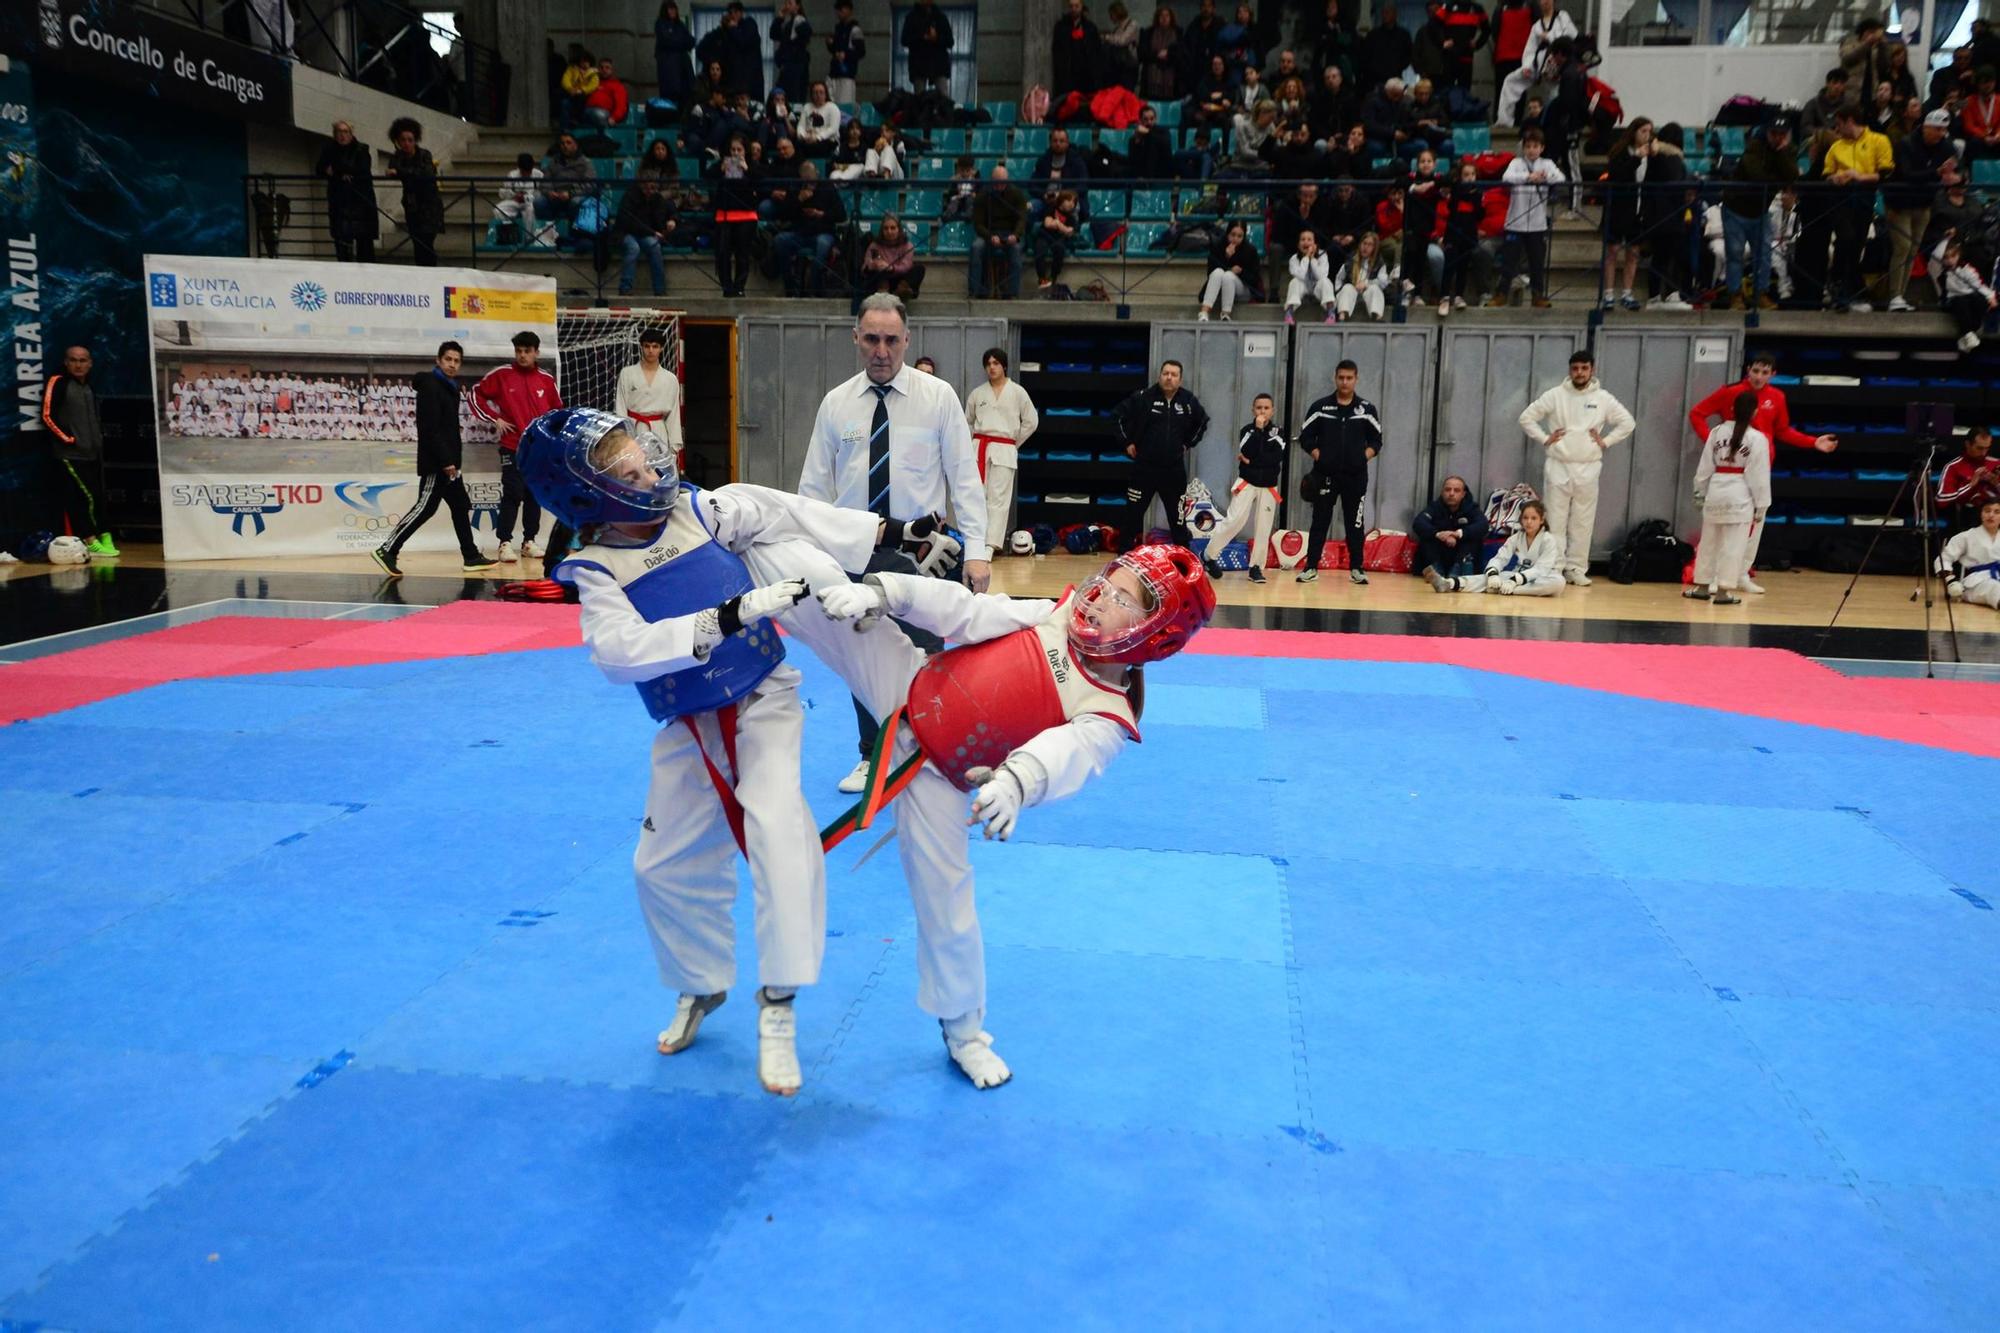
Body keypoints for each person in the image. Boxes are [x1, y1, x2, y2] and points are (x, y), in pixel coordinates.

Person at [522, 409, 886, 1097]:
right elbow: (616, 652)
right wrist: (724, 616)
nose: (650, 474)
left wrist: (881, 536)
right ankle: (701, 981)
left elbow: (785, 510)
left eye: (645, 459)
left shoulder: (701, 509)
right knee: (658, 867)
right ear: (588, 494)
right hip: (689, 721)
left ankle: (777, 1006)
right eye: (628, 471)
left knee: (780, 831)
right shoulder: (595, 567)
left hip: (763, 699)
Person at [810, 543, 1216, 1088]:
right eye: (1107, 581)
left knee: (947, 903)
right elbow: (967, 611)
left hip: (940, 783)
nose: (1100, 597)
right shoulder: (1053, 614)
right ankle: (725, 522)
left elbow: (1066, 755)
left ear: (1156, 632)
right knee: (808, 579)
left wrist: (1016, 782)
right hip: (906, 685)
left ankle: (963, 1034)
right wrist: (887, 592)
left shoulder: (1107, 715)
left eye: (1124, 598)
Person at [798, 293, 990, 794]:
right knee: (865, 659)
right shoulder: (836, 404)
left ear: (907, 340)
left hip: (924, 554)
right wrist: (805, 554)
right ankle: (872, 756)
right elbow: (813, 490)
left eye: (890, 339)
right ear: (856, 339)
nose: (881, 350)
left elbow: (965, 480)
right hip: (854, 549)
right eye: (871, 339)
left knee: (927, 660)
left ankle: (929, 752)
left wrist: (978, 552)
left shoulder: (938, 397)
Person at [1687, 352, 1836, 592]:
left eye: (1765, 372)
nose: (1759, 376)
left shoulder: (1777, 397)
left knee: (1754, 526)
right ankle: (1713, 576)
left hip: (1759, 469)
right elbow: (1697, 413)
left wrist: (1812, 442)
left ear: (1773, 374)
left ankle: (1742, 573)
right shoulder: (1730, 392)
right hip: (1730, 471)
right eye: (1755, 371)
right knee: (1720, 528)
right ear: (1748, 370)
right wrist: (1713, 444)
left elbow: (1783, 431)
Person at [372, 342, 496, 577]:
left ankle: (470, 556)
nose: (452, 364)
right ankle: (387, 550)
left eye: (456, 360)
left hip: (450, 463)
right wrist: (446, 461)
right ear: (438, 360)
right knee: (425, 508)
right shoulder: (431, 385)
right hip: (438, 463)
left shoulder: (449, 387)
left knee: (460, 506)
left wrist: (453, 462)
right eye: (448, 359)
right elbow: (431, 428)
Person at [1518, 349, 1635, 586]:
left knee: (1583, 521)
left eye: (1584, 368)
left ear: (1592, 370)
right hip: (1559, 465)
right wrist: (1544, 438)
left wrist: (1606, 441)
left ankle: (1576, 568)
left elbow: (1628, 422)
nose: (1579, 373)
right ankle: (1554, 566)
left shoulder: (1603, 398)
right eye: (1575, 368)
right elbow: (1526, 418)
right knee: (1555, 520)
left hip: (1588, 466)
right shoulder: (1555, 395)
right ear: (1570, 370)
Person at [472, 330, 563, 563]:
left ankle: (528, 541)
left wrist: (552, 441)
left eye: (527, 351)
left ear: (536, 353)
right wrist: (495, 419)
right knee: (513, 493)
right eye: (519, 351)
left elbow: (557, 413)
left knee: (534, 495)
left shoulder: (546, 379)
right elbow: (476, 395)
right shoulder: (502, 375)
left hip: (538, 450)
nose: (522, 355)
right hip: (512, 446)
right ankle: (504, 544)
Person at [1296, 359, 1381, 584]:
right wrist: (1319, 456)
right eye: (1341, 377)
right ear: (1335, 378)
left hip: (1355, 477)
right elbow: (1305, 437)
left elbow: (1377, 440)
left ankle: (1357, 568)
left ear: (1356, 379)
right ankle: (1311, 567)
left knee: (1355, 523)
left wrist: (1364, 456)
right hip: (1325, 476)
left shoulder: (1367, 409)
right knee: (1319, 522)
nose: (1345, 382)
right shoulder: (1320, 407)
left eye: (1349, 378)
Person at [1685, 390, 1771, 606]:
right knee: (1733, 546)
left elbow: (1705, 466)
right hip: (1740, 493)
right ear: (1755, 412)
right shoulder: (1756, 438)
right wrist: (1761, 506)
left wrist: (1699, 492)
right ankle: (1723, 591)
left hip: (1716, 490)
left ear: (1732, 409)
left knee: (1709, 543)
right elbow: (1758, 476)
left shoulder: (1716, 432)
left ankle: (1703, 587)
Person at [1114, 360, 1211, 548]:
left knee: (1178, 520)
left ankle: (1183, 561)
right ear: (1159, 376)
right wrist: (1127, 442)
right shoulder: (1143, 397)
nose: (1169, 378)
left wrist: (1189, 443)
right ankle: (1122, 558)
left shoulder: (1188, 401)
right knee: (1132, 516)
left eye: (1174, 375)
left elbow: (1202, 421)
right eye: (1166, 373)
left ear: (1180, 380)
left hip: (1173, 470)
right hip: (1144, 468)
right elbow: (1117, 416)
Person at [40, 345, 116, 558]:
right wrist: (68, 440)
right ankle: (90, 539)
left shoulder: (88, 387)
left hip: (91, 453)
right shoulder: (58, 382)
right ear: (66, 362)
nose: (78, 364)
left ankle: (105, 535)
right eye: (74, 360)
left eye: (83, 360)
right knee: (84, 497)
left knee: (96, 496)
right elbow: (47, 415)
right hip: (70, 454)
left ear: (90, 363)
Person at [1202, 392, 1285, 583]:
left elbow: (1276, 458)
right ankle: (1209, 555)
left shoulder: (1278, 432)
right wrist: (1257, 431)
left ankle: (1256, 567)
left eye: (1266, 408)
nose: (1262, 411)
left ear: (1272, 410)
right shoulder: (1247, 430)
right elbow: (1247, 450)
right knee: (1234, 520)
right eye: (1258, 408)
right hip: (1247, 482)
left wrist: (1252, 460)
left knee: (1264, 527)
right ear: (1252, 410)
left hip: (1269, 486)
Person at [965, 347, 1040, 555]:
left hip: (1004, 447)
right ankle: (976, 541)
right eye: (988, 364)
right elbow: (967, 422)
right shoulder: (977, 393)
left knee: (998, 499)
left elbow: (1031, 421)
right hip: (979, 448)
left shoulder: (1017, 392)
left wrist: (1012, 442)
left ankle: (991, 545)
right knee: (977, 496)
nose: (992, 367)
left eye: (996, 363)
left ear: (1004, 366)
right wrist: (974, 444)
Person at [1719, 116, 1798, 310]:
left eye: (1782, 134)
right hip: (1736, 209)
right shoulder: (1754, 147)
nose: (1777, 138)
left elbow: (1793, 175)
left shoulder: (1787, 151)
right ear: (1767, 132)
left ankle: (1760, 294)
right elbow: (1756, 175)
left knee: (1764, 254)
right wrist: (1778, 179)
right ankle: (1735, 295)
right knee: (1735, 253)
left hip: (1760, 211)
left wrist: (1782, 153)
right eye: (1774, 134)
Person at [1821, 106, 1894, 312]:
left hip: (1864, 197)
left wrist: (1858, 176)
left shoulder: (1879, 141)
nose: (1837, 129)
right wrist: (1834, 178)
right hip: (1840, 198)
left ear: (1849, 121)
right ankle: (1838, 282)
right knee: (1846, 237)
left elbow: (1886, 172)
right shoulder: (1836, 146)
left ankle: (1844, 291)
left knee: (1856, 244)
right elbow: (1827, 173)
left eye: (1839, 124)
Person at [1431, 499, 1564, 594]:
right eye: (1525, 518)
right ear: (1521, 520)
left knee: (1558, 583)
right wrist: (1493, 573)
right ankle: (1450, 583)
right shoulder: (1515, 538)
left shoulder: (1548, 540)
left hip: (1541, 577)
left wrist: (1516, 581)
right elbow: (1500, 558)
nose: (1529, 522)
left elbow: (1541, 569)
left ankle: (1508, 590)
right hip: (1515, 576)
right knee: (1493, 577)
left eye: (1533, 518)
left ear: (1541, 520)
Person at [1496, 127, 1562, 307]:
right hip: (1516, 221)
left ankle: (1537, 295)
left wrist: (1544, 176)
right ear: (1524, 148)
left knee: (1537, 262)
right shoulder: (1516, 163)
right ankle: (1501, 294)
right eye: (1528, 146)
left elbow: (1560, 177)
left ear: (1541, 148)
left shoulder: (1547, 163)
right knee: (1509, 260)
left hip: (1537, 223)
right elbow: (1507, 177)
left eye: (1535, 146)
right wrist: (1528, 177)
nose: (1532, 150)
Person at [1600, 118, 1654, 311]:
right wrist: (1636, 157)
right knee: (1612, 251)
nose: (1646, 135)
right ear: (1634, 132)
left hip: (1638, 208)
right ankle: (1608, 294)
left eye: (1649, 132)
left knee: (1633, 253)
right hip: (1619, 208)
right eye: (1643, 131)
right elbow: (1618, 175)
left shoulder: (1651, 155)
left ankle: (1627, 293)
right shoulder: (1620, 152)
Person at [614, 327, 685, 471]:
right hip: (634, 428)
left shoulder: (670, 379)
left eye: (655, 346)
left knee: (659, 474)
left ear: (661, 349)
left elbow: (674, 415)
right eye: (647, 346)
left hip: (659, 430)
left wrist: (674, 446)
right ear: (641, 347)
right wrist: (622, 438)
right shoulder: (627, 374)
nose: (651, 350)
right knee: (633, 472)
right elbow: (620, 408)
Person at [773, 162, 846, 297]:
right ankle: (790, 289)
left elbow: (841, 214)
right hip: (800, 233)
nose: (809, 183)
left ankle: (813, 288)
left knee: (823, 244)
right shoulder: (795, 188)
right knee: (780, 240)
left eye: (811, 180)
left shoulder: (827, 187)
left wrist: (821, 214)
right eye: (806, 180)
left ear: (817, 174)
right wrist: (799, 200)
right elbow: (783, 215)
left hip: (823, 232)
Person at [1499, 0, 1575, 125]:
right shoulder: (1537, 26)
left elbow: (1571, 36)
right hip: (1538, 63)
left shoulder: (1562, 17)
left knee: (1555, 93)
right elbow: (1530, 49)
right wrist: (1527, 66)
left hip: (1558, 64)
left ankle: (1557, 123)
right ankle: (1504, 121)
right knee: (1510, 81)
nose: (1545, 2)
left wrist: (1550, 36)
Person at [315, 121, 378, 263]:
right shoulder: (329, 149)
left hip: (360, 201)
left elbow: (360, 170)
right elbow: (320, 169)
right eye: (339, 132)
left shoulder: (361, 149)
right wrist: (340, 173)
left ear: (351, 134)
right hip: (339, 201)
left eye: (346, 132)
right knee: (342, 243)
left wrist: (335, 170)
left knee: (364, 245)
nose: (342, 135)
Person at [1411, 475, 1488, 585]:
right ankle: (1436, 572)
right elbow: (1419, 523)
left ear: (1463, 494)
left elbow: (1483, 525)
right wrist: (1438, 534)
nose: (1451, 493)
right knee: (1428, 536)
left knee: (1473, 538)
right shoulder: (1434, 507)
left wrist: (1458, 534)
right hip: (1439, 554)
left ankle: (1457, 571)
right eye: (1447, 490)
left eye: (1456, 490)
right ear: (1442, 492)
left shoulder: (1472, 508)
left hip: (1460, 554)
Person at [708, 135, 759, 297]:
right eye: (733, 150)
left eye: (739, 150)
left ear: (745, 151)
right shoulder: (723, 164)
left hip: (746, 215)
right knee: (723, 253)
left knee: (742, 255)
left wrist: (747, 170)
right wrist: (720, 169)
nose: (736, 153)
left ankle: (739, 287)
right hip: (724, 215)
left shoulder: (752, 166)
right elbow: (707, 175)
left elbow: (761, 182)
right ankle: (727, 287)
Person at [970, 165, 1029, 299]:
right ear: (991, 180)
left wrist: (1016, 234)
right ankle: (975, 291)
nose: (999, 186)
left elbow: (1022, 218)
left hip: (1010, 233)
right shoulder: (982, 196)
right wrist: (990, 236)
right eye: (996, 182)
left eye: (1003, 183)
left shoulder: (1017, 194)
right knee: (976, 248)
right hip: (988, 233)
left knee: (1016, 251)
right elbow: (978, 224)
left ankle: (1012, 293)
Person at [612, 178, 677, 296]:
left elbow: (670, 207)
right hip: (625, 232)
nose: (650, 191)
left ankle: (660, 289)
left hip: (646, 233)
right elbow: (628, 222)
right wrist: (652, 232)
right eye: (648, 187)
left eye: (653, 188)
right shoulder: (630, 196)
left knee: (655, 246)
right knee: (633, 248)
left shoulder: (656, 199)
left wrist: (672, 219)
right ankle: (625, 288)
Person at [1934, 236, 1998, 351]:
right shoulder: (1940, 271)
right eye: (1946, 257)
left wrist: (1991, 297)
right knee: (1961, 303)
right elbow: (1936, 255)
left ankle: (1968, 334)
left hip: (1970, 296)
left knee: (1980, 302)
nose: (1950, 260)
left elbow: (1978, 285)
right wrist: (1946, 239)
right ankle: (1968, 334)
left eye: (1953, 256)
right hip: (1952, 299)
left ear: (1958, 256)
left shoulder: (1966, 269)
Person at [1939, 498, 2000, 609]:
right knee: (1994, 587)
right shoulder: (1967, 536)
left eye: (1997, 512)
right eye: (1987, 511)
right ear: (1981, 514)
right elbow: (1943, 559)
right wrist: (1950, 581)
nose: (1991, 515)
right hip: (1975, 584)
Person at [1196, 220, 1262, 320]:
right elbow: (1211, 273)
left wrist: (1241, 272)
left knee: (1228, 276)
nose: (1235, 239)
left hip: (1243, 289)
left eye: (1239, 236)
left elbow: (1254, 279)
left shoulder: (1250, 251)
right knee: (1219, 272)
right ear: (1227, 233)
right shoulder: (1218, 246)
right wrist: (1226, 258)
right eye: (1233, 235)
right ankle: (1204, 312)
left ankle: (1225, 314)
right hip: (1220, 289)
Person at [1938, 428, 2000, 533]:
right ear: (1968, 444)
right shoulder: (1953, 467)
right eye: (1979, 448)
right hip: (1967, 518)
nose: (1984, 453)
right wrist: (1971, 485)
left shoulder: (1996, 464)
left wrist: (1997, 484)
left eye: (1987, 448)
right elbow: (1942, 500)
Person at [857, 213, 925, 303]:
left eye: (893, 228)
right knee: (876, 273)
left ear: (899, 229)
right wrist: (873, 265)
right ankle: (883, 292)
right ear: (882, 230)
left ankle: (901, 291)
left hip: (898, 279)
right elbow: (865, 266)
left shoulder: (907, 245)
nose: (889, 231)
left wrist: (891, 267)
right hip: (881, 279)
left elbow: (906, 266)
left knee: (919, 269)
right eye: (886, 228)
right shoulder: (875, 245)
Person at [1031, 188, 1084, 290]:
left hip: (1058, 239)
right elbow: (1047, 223)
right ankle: (1042, 278)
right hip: (1044, 235)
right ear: (1062, 200)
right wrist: (1061, 227)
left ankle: (1053, 277)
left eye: (1074, 202)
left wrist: (1057, 223)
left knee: (1060, 250)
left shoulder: (1071, 218)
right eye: (1069, 200)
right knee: (1039, 249)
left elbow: (1069, 232)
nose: (1072, 204)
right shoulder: (1051, 208)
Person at [1334, 230, 1392, 321]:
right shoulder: (1351, 260)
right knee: (1347, 287)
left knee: (1375, 289)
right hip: (1351, 294)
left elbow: (1383, 282)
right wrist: (1338, 292)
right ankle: (1342, 316)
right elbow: (1339, 278)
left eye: (1370, 245)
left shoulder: (1379, 262)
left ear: (1374, 247)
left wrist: (1366, 284)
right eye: (1364, 243)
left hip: (1367, 295)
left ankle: (1376, 317)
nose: (1366, 247)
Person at [1054, 0, 1105, 101]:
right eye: (1071, 6)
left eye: (1076, 6)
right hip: (1068, 74)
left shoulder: (1090, 28)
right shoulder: (1061, 27)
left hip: (1086, 75)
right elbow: (1057, 50)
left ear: (1081, 6)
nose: (1074, 9)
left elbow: (1097, 53)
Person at [1284, 229, 1338, 324]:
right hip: (1303, 290)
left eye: (1309, 239)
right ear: (1298, 244)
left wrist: (1312, 259)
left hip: (1317, 289)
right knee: (1294, 282)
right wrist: (1306, 257)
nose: (1306, 242)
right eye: (1303, 239)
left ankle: (1331, 313)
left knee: (1326, 281)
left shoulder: (1322, 255)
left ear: (1315, 244)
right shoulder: (1294, 259)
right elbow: (1300, 275)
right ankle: (1289, 313)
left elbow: (1321, 276)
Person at [901, 0, 955, 91]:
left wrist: (936, 39)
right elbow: (904, 40)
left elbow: (950, 42)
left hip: (938, 64)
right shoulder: (911, 18)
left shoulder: (940, 17)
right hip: (919, 64)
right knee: (920, 99)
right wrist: (922, 37)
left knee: (943, 99)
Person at [655, 2, 696, 108]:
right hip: (669, 68)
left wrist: (677, 42)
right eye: (670, 9)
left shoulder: (680, 25)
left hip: (683, 68)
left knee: (686, 96)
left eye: (674, 9)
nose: (673, 11)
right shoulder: (661, 23)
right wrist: (682, 43)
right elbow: (666, 41)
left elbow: (691, 41)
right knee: (670, 98)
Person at [825, 0, 865, 105]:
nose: (839, 13)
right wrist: (830, 44)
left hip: (847, 74)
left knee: (845, 107)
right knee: (831, 104)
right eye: (838, 10)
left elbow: (861, 52)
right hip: (834, 73)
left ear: (849, 11)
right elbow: (834, 50)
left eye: (841, 10)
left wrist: (846, 54)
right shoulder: (837, 29)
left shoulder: (855, 30)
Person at [773, 0, 813, 97]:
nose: (787, 6)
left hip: (796, 64)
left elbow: (806, 34)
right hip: (787, 65)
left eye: (790, 3)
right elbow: (774, 34)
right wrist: (780, 18)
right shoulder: (788, 23)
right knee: (780, 93)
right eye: (786, 3)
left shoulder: (799, 20)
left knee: (794, 94)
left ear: (797, 6)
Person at [585, 57, 631, 128]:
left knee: (597, 114)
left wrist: (614, 118)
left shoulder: (617, 85)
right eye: (601, 67)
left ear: (612, 70)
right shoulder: (593, 82)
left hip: (604, 113)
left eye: (607, 68)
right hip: (588, 111)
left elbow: (621, 105)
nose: (604, 70)